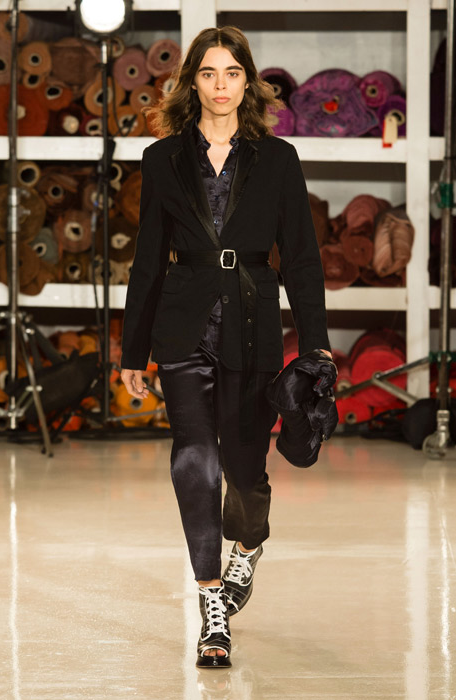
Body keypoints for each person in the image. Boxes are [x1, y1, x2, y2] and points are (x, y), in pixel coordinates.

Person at [121, 26, 331, 669]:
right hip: (182, 325)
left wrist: (317, 346)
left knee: (244, 469)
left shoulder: (279, 158)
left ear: (248, 82)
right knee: (194, 457)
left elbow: (301, 257)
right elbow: (148, 259)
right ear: (192, 82)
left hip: (252, 321)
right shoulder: (162, 158)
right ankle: (211, 601)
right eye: (208, 73)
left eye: (231, 73)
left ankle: (249, 543)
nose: (220, 85)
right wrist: (132, 351)